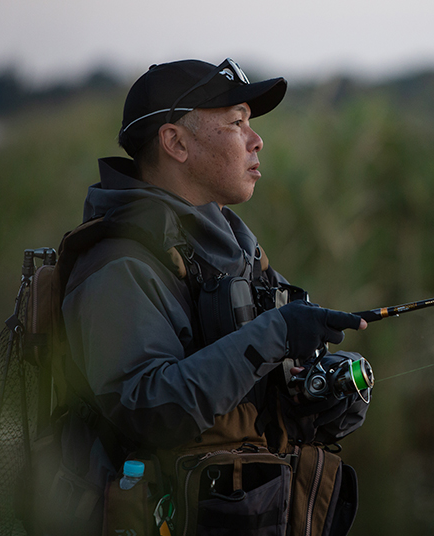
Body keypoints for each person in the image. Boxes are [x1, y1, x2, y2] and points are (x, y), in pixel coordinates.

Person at [49, 58, 372, 536]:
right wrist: (277, 333)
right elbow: (147, 408)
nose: (256, 140)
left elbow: (243, 395)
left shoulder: (236, 248)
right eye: (237, 123)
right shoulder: (118, 264)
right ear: (175, 142)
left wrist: (321, 400)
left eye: (251, 124)